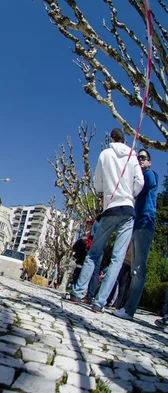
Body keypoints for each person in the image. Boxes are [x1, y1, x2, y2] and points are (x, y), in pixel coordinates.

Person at [66, 128, 144, 312]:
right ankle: (99, 302)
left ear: (111, 138)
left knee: (94, 253)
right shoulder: (133, 156)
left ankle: (77, 293)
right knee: (117, 258)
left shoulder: (105, 154)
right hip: (128, 210)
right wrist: (130, 195)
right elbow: (139, 181)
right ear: (124, 140)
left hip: (111, 208)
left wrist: (110, 192)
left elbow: (97, 184)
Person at [114, 149, 158, 320]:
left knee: (138, 270)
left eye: (142, 158)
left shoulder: (149, 175)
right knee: (133, 269)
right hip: (137, 225)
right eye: (137, 158)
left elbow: (135, 189)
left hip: (144, 224)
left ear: (149, 162)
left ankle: (129, 309)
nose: (139, 160)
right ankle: (126, 306)